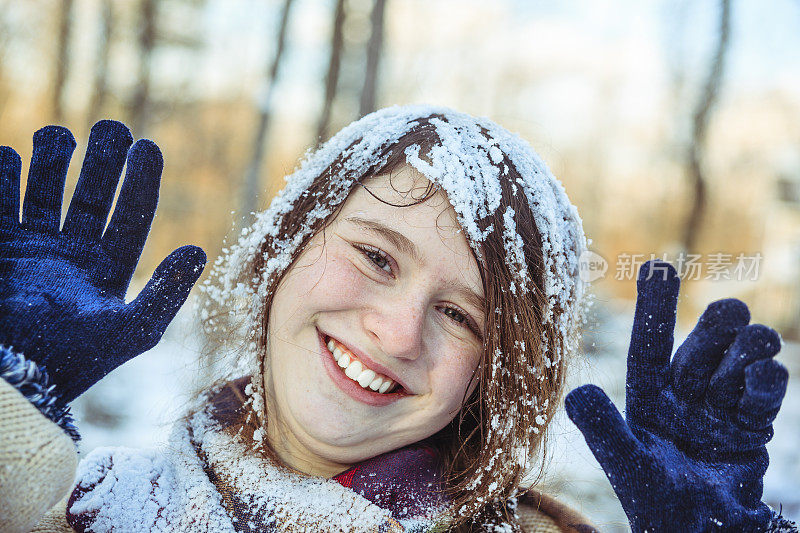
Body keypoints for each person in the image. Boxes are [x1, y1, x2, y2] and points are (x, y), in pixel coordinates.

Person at [0, 106, 794, 532]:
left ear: (492, 377)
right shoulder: (73, 507)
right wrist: (15, 394)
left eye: (458, 314)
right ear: (286, 247)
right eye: (377, 257)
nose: (398, 330)